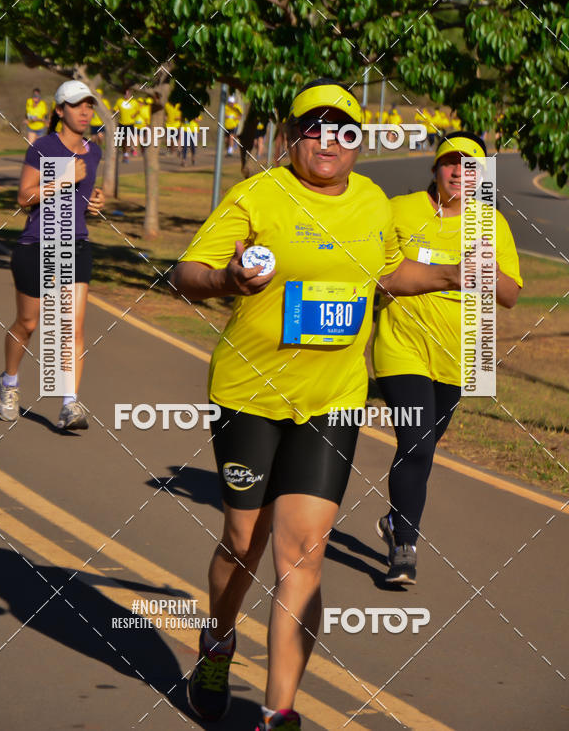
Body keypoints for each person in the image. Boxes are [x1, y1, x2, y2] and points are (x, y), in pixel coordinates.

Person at [174, 79, 467, 731]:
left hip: (333, 403)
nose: (329, 140)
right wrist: (226, 278)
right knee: (243, 543)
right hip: (249, 397)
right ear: (290, 138)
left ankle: (279, 711)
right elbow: (186, 272)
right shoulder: (258, 195)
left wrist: (449, 275)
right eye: (315, 127)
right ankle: (218, 641)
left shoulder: (372, 202)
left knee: (302, 553)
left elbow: (387, 273)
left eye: (344, 130)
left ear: (359, 143)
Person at [372, 131, 523, 584]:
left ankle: (395, 519)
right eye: (450, 162)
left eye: (470, 166)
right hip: (402, 347)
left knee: (425, 449)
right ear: (435, 168)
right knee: (415, 442)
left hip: (463, 354)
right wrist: (445, 275)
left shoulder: (491, 223)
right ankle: (405, 548)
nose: (459, 172)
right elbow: (380, 278)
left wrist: (487, 269)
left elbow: (511, 294)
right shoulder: (399, 210)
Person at [0, 80, 104, 431]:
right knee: (28, 324)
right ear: (60, 111)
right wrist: (63, 177)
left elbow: (81, 205)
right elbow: (24, 197)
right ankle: (9, 383)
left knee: (72, 326)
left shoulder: (94, 150)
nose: (85, 111)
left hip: (76, 245)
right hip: (37, 245)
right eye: (76, 105)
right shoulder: (43, 147)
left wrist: (96, 205)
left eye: (89, 104)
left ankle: (69, 403)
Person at [113, 88, 140, 161]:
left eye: (128, 93)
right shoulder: (119, 101)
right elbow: (115, 110)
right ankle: (126, 152)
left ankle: (127, 154)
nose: (126, 95)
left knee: (128, 139)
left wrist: (134, 115)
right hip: (121, 123)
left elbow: (138, 110)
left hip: (130, 123)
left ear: (130, 94)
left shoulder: (134, 102)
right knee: (123, 140)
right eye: (125, 93)